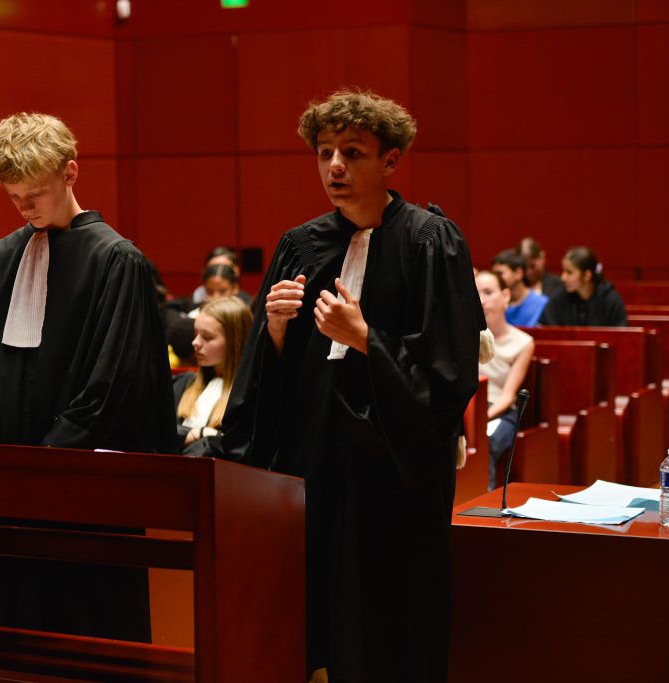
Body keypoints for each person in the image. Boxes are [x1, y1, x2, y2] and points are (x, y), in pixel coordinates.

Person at [221, 89, 483, 682]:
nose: (335, 166)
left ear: (390, 161)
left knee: (389, 618)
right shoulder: (300, 245)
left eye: (353, 152)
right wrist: (278, 330)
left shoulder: (431, 242)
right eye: (325, 152)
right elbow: (266, 387)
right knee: (313, 613)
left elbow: (448, 376)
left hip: (391, 477)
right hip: (316, 462)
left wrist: (367, 338)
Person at [0, 112, 177, 642]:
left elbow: (112, 387)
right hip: (7, 498)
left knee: (93, 635)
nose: (25, 208)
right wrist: (5, 467)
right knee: (13, 631)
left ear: (71, 173)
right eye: (13, 197)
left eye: (35, 193)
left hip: (84, 495)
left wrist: (45, 467)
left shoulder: (118, 262)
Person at [475, 269, 534, 489]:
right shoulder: (465, 335)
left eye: (489, 292)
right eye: (476, 292)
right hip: (470, 408)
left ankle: (484, 509)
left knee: (484, 442)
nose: (481, 300)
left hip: (499, 412)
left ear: (505, 296)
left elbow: (508, 396)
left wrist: (480, 419)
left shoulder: (523, 342)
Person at [172, 296, 253, 455]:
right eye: (195, 334)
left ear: (234, 341)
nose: (195, 342)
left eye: (207, 337)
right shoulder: (182, 384)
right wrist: (200, 433)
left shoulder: (248, 397)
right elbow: (156, 433)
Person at [539, 246, 627, 327]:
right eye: (563, 271)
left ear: (587, 275)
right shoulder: (560, 297)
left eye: (569, 272)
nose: (563, 278)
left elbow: (621, 335)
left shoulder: (610, 300)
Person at [491, 248, 547, 326]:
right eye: (494, 274)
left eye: (500, 273)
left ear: (518, 273)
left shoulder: (542, 304)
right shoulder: (493, 304)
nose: (495, 278)